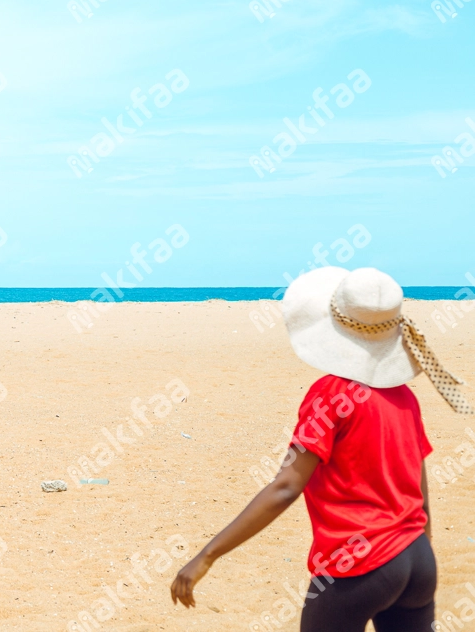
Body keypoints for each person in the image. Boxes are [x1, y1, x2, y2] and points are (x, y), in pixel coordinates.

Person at [171, 266, 471, 631]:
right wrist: (417, 549)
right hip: (418, 559)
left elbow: (285, 488)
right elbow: (419, 487)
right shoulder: (403, 395)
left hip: (359, 565)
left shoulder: (331, 395)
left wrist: (206, 556)